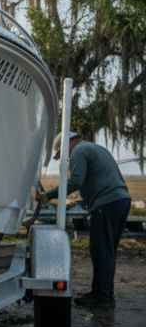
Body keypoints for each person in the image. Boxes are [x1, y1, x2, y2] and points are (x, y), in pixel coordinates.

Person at [35, 131, 131, 306]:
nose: (65, 157)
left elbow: (75, 181)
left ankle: (101, 296)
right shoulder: (95, 148)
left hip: (106, 203)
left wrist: (48, 196)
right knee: (108, 250)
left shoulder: (79, 151)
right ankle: (105, 293)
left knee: (100, 249)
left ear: (67, 143)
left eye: (61, 153)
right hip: (121, 200)